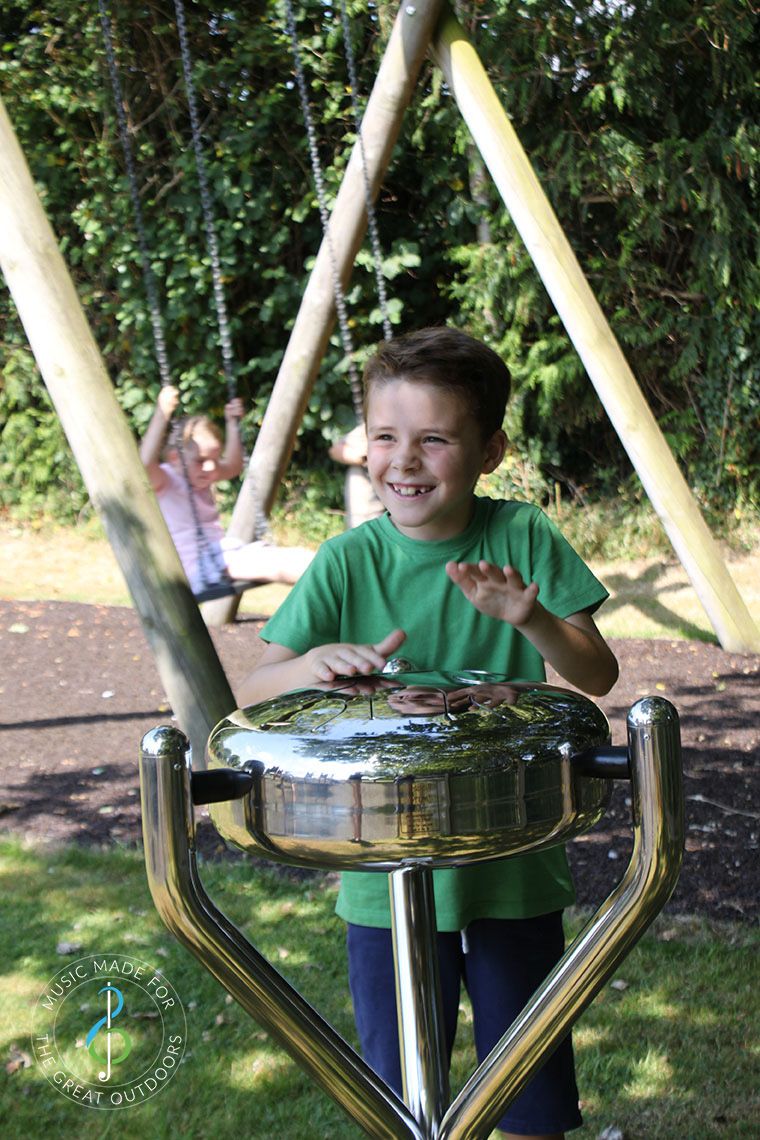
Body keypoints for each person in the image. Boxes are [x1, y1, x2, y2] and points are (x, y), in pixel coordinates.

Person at [238, 326, 619, 1139]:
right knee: (400, 1093)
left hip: (508, 863)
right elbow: (256, 687)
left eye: (434, 439)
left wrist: (534, 619)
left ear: (489, 451)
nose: (403, 461)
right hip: (382, 868)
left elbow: (596, 676)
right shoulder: (346, 561)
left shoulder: (522, 538)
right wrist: (316, 664)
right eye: (385, 437)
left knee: (531, 1092)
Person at [139, 385, 313, 596]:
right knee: (278, 565)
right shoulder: (166, 481)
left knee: (298, 556)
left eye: (214, 459)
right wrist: (162, 413)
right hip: (196, 568)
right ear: (176, 457)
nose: (212, 468)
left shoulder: (201, 475)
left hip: (220, 556)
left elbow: (232, 466)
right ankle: (342, 590)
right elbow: (144, 464)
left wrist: (232, 424)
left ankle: (341, 583)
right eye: (201, 460)